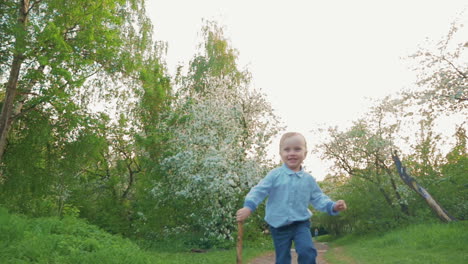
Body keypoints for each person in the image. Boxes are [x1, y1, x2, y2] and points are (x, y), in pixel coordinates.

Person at [236, 132, 347, 264]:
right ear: (280, 153)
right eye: (287, 149)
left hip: (301, 223)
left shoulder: (308, 180)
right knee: (282, 258)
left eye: (297, 149)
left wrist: (332, 206)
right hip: (278, 225)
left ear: (305, 153)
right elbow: (259, 191)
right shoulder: (274, 175)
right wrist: (249, 207)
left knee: (307, 251)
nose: (292, 153)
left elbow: (318, 198)